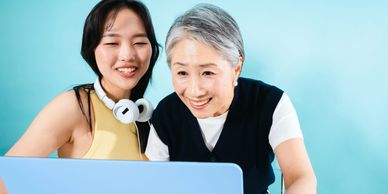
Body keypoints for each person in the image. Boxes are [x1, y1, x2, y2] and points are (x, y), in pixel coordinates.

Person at [145, 3, 316, 194]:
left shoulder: (271, 103)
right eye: (182, 72)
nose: (194, 90)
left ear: (236, 68)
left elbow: (301, 177)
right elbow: (154, 184)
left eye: (207, 72)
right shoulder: (166, 114)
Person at [6, 0, 160, 160]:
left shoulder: (145, 117)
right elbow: (6, 175)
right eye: (112, 43)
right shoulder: (73, 107)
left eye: (139, 43)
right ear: (92, 49)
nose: (127, 55)